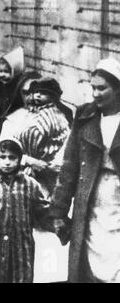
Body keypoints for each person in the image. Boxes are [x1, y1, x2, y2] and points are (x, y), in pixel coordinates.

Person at [49, 58, 120, 283]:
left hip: (117, 199)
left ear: (117, 89)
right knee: (89, 257)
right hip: (90, 196)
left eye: (102, 88)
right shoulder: (85, 116)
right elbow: (69, 166)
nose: (96, 94)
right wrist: (58, 212)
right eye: (93, 88)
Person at [0, 138, 49, 283]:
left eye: (12, 158)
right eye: (3, 157)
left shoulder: (30, 185)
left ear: (19, 159)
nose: (7, 162)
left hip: (21, 252)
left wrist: (60, 222)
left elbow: (44, 214)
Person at [17, 77, 70, 197]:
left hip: (48, 165)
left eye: (44, 93)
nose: (38, 95)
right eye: (36, 92)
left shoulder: (52, 114)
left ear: (53, 97)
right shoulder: (35, 112)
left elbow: (37, 135)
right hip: (34, 163)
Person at [0, 46, 25, 115]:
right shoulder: (1, 85)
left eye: (6, 71)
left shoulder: (18, 87)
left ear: (15, 71)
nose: (2, 75)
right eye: (1, 71)